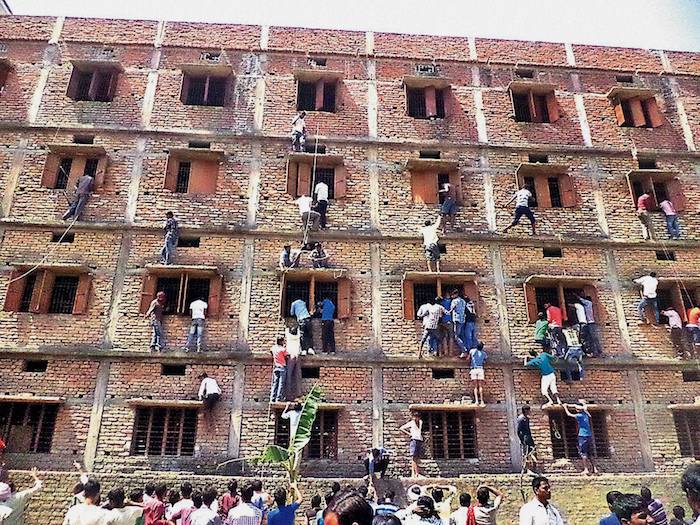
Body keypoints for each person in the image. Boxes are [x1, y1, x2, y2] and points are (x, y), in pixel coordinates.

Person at [563, 400, 598, 475]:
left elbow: (569, 414)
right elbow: (584, 407)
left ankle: (586, 469)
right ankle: (595, 469)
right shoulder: (586, 414)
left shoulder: (579, 415)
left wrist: (565, 407)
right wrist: (570, 404)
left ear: (578, 410)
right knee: (590, 453)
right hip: (589, 435)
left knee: (583, 453)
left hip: (582, 436)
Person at [399, 412, 424, 479]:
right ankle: (416, 474)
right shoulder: (411, 423)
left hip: (419, 440)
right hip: (414, 440)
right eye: (415, 417)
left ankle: (414, 473)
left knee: (417, 457)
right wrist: (409, 434)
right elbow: (401, 428)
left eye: (417, 417)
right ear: (413, 417)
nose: (416, 418)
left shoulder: (421, 422)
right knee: (414, 457)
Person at [517, 406, 538, 476]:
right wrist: (522, 440)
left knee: (533, 451)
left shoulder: (527, 418)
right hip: (525, 438)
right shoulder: (521, 419)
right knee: (527, 454)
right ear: (525, 410)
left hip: (529, 437)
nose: (529, 412)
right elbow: (518, 431)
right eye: (528, 410)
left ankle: (534, 469)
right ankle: (528, 470)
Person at [270, 336, 288, 402]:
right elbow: (287, 356)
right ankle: (279, 398)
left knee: (275, 383)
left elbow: (271, 352)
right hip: (282, 367)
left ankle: (273, 398)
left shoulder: (273, 348)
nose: (284, 342)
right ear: (281, 341)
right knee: (281, 383)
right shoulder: (283, 349)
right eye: (283, 341)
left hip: (276, 367)